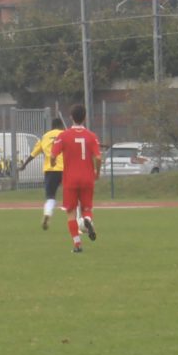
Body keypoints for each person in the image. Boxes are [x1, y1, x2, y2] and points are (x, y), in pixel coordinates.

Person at [50, 104, 101, 253]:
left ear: (71, 117)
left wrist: (53, 163)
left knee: (71, 212)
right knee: (87, 208)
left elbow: (53, 156)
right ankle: (88, 220)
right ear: (85, 117)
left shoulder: (63, 136)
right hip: (87, 178)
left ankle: (77, 245)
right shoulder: (91, 136)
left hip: (70, 179)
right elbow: (98, 157)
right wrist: (97, 172)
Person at [20, 118, 65, 230]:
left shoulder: (45, 137)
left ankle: (47, 214)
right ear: (61, 125)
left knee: (50, 197)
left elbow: (33, 154)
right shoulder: (65, 134)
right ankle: (81, 221)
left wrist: (24, 165)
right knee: (74, 195)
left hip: (50, 170)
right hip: (65, 169)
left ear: (52, 126)